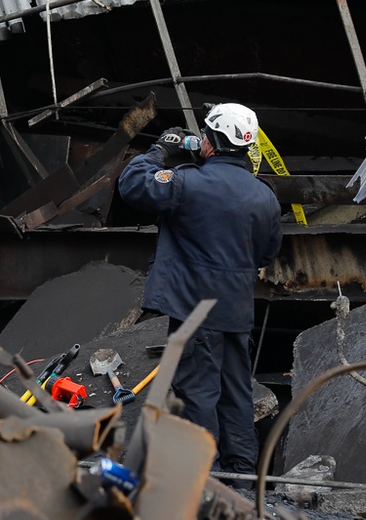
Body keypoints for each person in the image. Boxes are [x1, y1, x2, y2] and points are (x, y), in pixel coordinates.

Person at [117, 103, 282, 486]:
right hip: (237, 311)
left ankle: (202, 483)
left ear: (211, 142)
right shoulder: (264, 196)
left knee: (198, 394)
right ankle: (241, 479)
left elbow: (132, 185)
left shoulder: (186, 182)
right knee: (236, 395)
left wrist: (161, 149)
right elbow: (267, 253)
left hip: (195, 309)